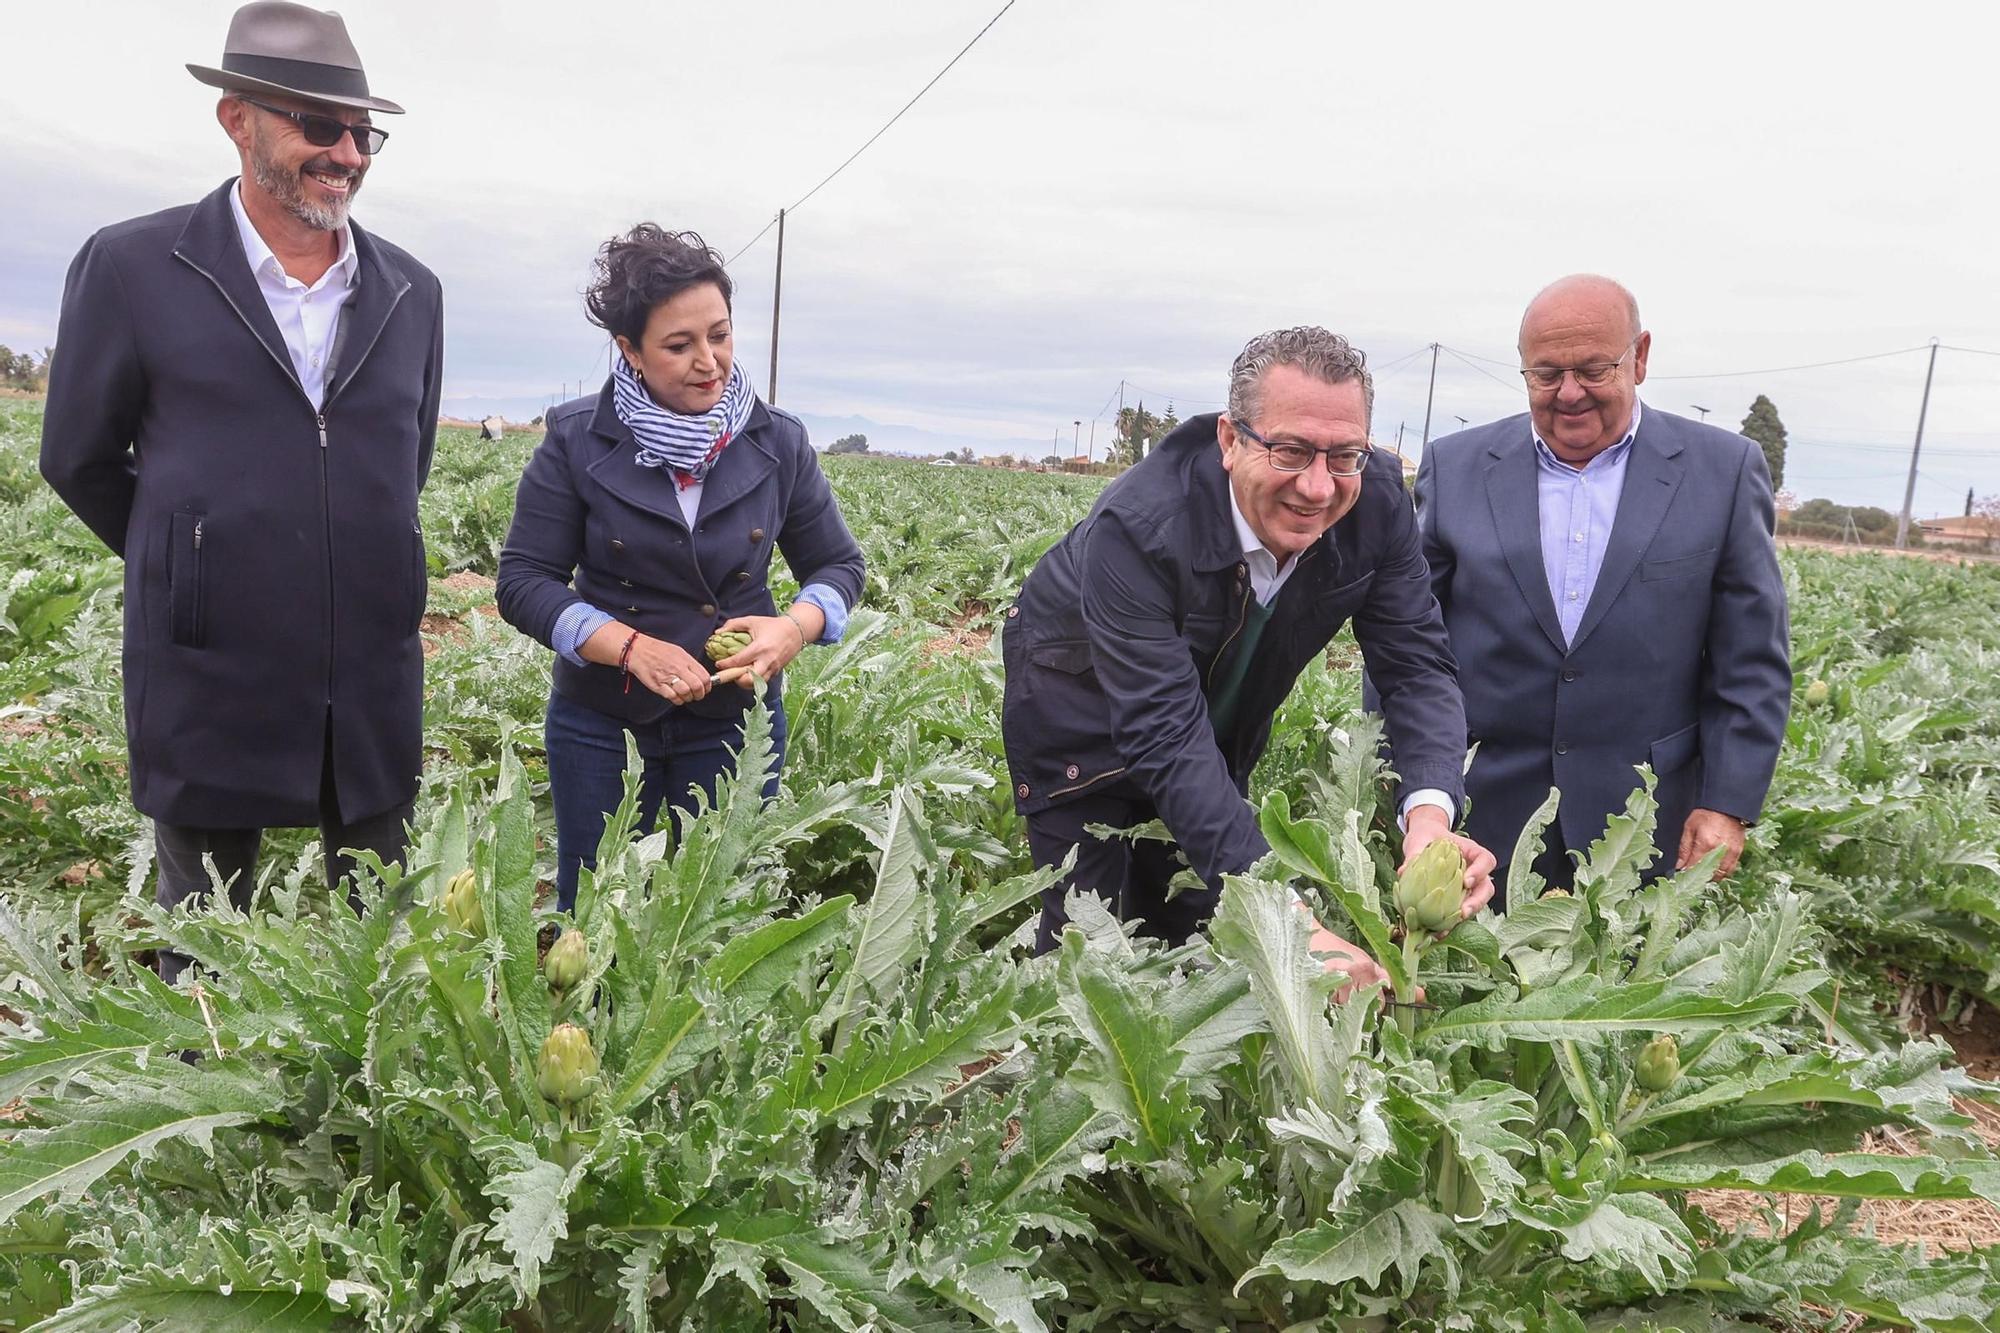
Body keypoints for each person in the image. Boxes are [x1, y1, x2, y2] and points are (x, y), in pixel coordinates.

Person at [39, 1, 443, 974]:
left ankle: (360, 1115)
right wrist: (189, 565)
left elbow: (405, 466)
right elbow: (77, 456)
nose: (347, 152)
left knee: (372, 942)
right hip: (208, 671)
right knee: (205, 943)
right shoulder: (134, 266)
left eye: (363, 132)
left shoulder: (410, 291)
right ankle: (205, 1114)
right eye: (319, 126)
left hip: (369, 678)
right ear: (237, 119)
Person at [1003, 327, 1495, 969]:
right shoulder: (1141, 527)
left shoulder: (1374, 504)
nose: (1319, 488)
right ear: (1231, 442)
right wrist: (1294, 928)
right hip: (1078, 732)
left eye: (1345, 455)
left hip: (1211, 729)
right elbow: (1163, 733)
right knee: (1093, 956)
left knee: (1201, 928)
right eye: (1291, 451)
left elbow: (1417, 667)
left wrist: (1430, 814)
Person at [496, 226, 865, 913]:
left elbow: (839, 564)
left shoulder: (776, 440)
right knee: (600, 912)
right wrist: (629, 647)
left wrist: (794, 629)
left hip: (734, 725)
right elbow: (523, 583)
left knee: (713, 914)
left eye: (720, 335)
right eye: (679, 345)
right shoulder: (578, 439)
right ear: (629, 350)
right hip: (602, 723)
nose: (710, 362)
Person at [1408, 275, 1790, 901]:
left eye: (1592, 370)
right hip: (1477, 819)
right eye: (1546, 374)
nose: (1569, 394)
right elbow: (1409, 644)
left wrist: (1728, 800)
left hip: (1644, 822)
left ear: (1638, 357)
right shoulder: (1456, 468)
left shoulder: (1724, 471)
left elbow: (1750, 658)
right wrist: (1410, 791)